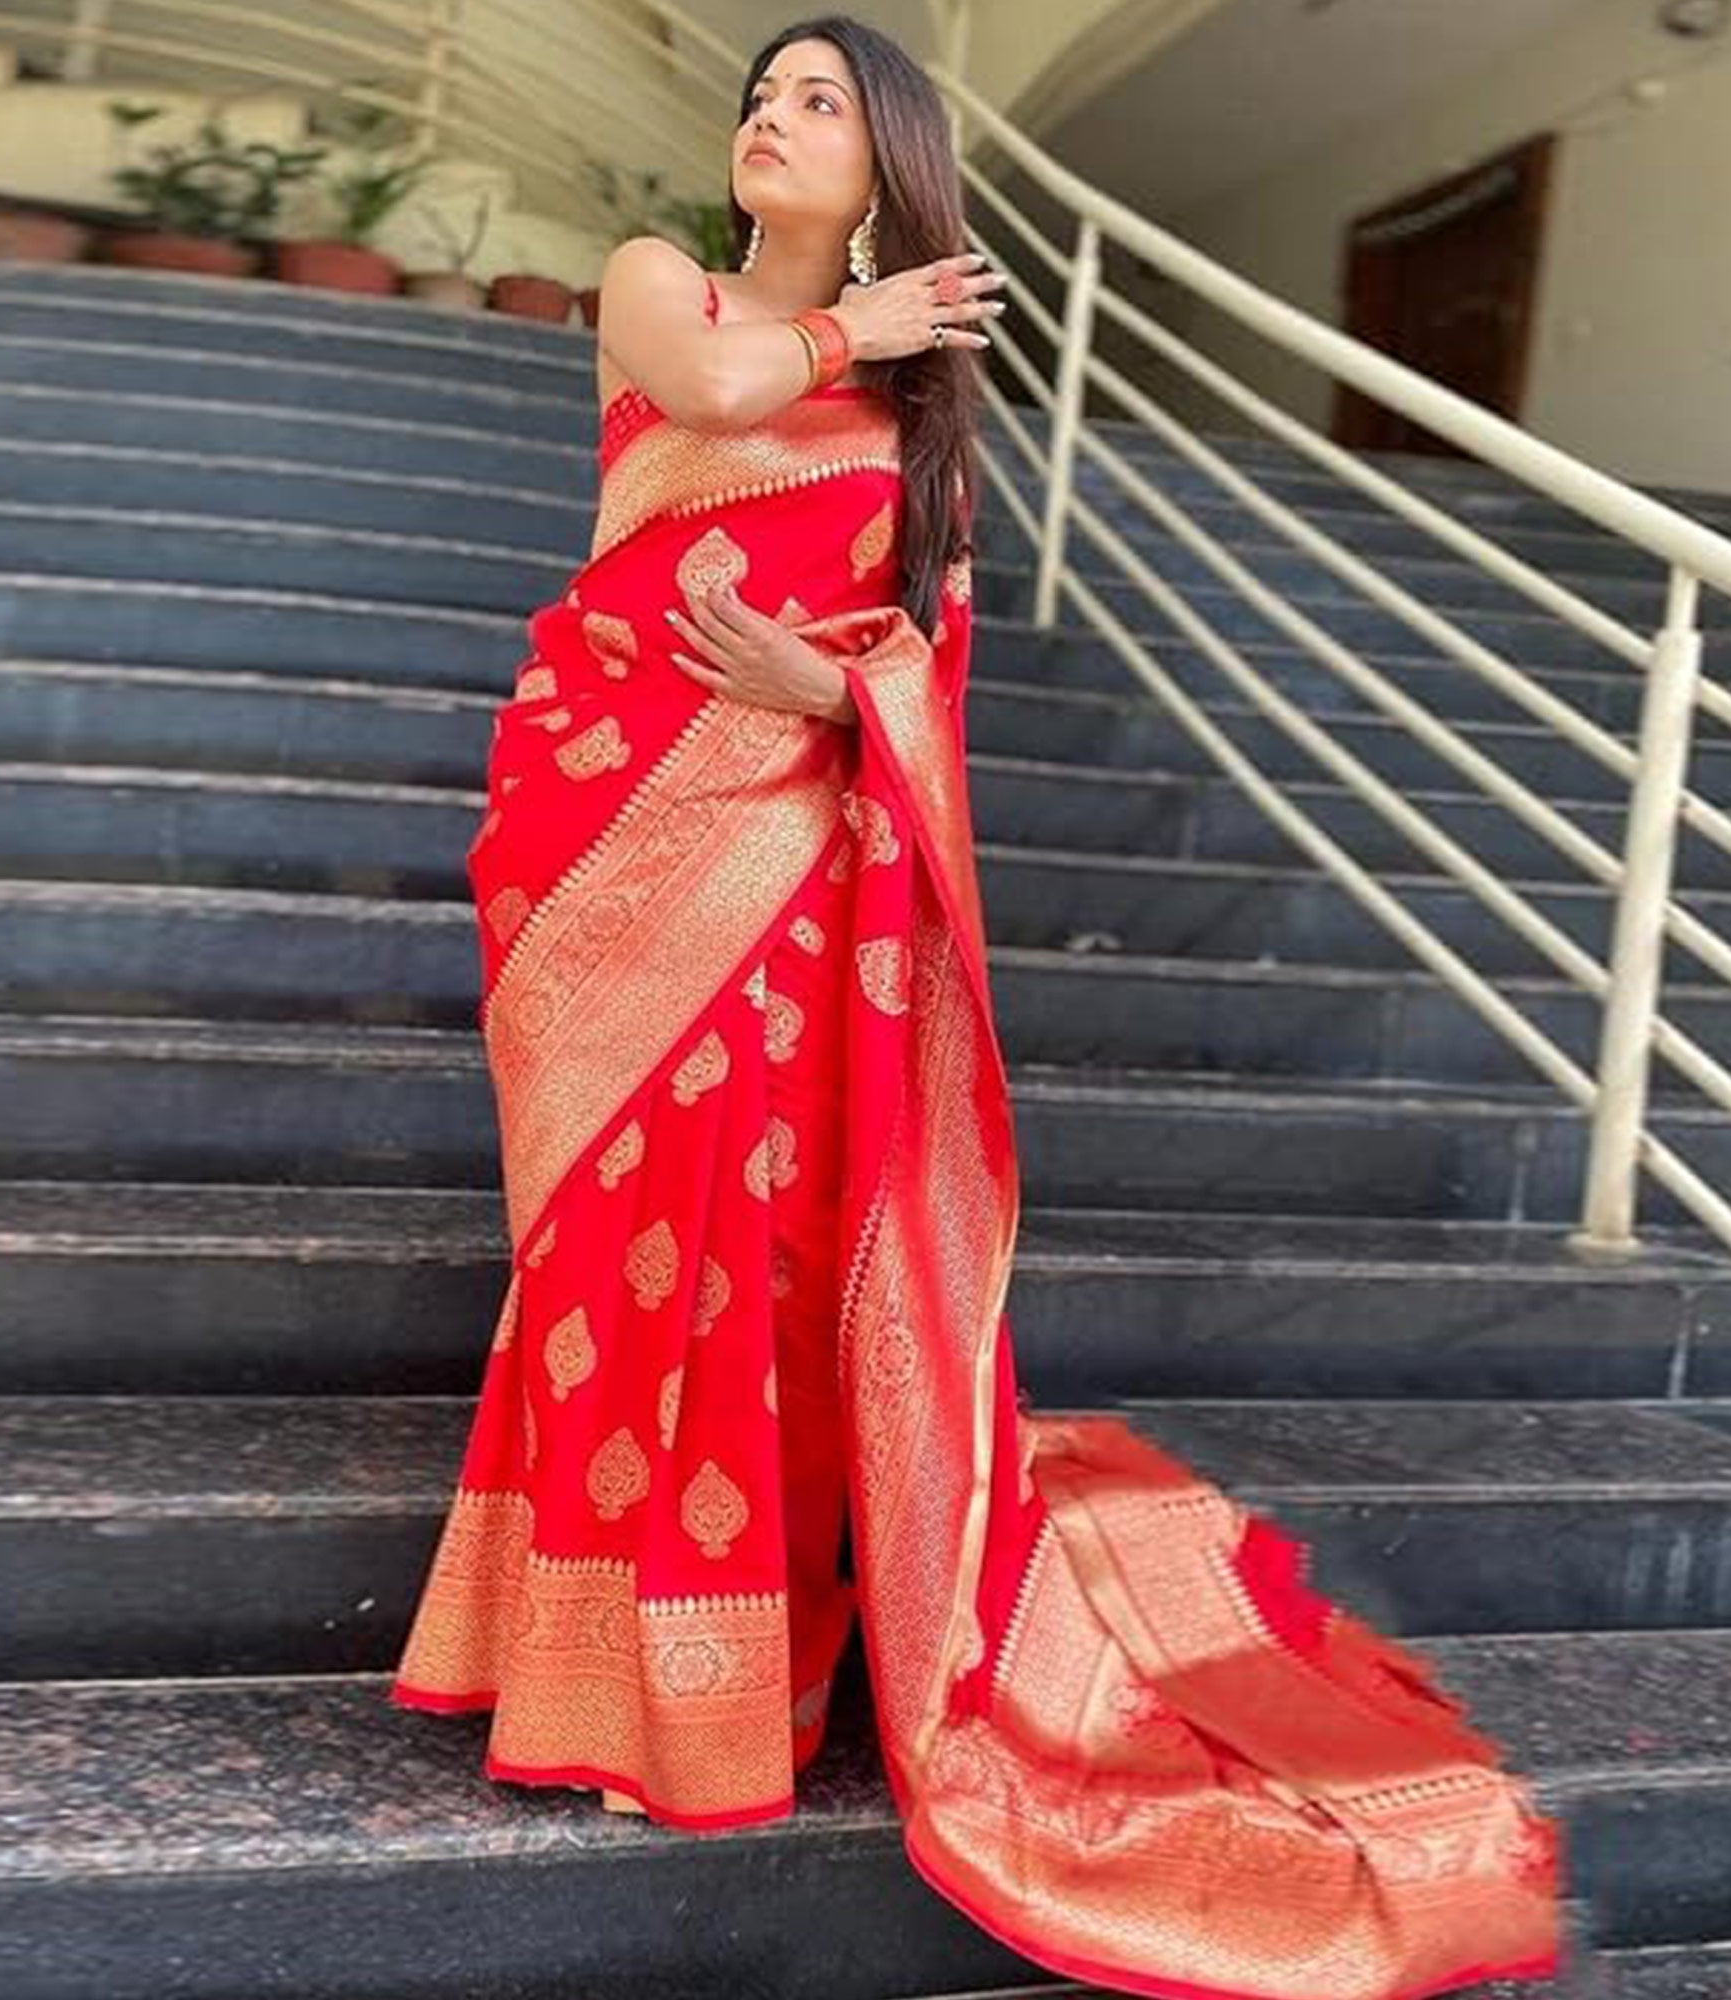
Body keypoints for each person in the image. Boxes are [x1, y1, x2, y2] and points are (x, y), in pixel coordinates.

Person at [389, 16, 1566, 1997]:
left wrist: (830, 698)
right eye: (761, 93)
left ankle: (704, 1693)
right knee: (603, 1239)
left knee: (732, 1256)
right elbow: (701, 379)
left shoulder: (926, 416)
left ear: (895, 165)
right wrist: (865, 331)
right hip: (602, 826)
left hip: (783, 851)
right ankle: (571, 1660)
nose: (771, 117)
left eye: (822, 101)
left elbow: (922, 673)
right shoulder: (658, 280)